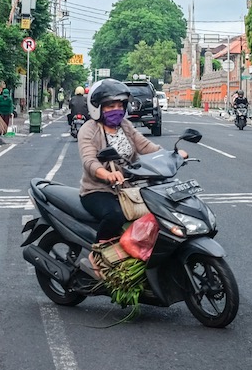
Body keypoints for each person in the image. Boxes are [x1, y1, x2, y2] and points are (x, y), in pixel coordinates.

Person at [78, 78, 188, 252]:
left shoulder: (125, 126)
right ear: (98, 107)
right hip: (98, 190)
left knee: (160, 210)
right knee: (115, 215)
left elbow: (146, 146)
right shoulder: (89, 129)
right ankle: (98, 254)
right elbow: (89, 161)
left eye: (120, 105)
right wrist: (107, 174)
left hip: (129, 188)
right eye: (110, 106)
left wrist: (172, 156)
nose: (117, 110)